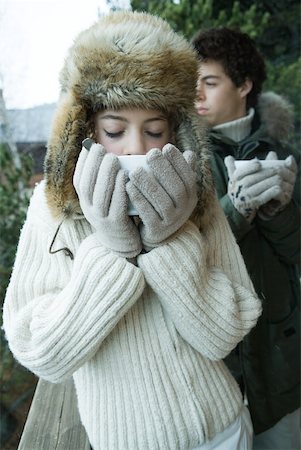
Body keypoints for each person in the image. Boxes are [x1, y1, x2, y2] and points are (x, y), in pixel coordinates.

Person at [3, 12, 262, 450]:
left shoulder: (195, 196)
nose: (137, 148)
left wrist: (168, 243)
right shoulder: (54, 209)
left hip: (226, 428)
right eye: (114, 130)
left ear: (177, 130)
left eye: (155, 130)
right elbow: (42, 353)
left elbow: (226, 333)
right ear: (83, 128)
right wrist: (113, 252)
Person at [192, 26, 300, 450]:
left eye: (210, 82)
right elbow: (188, 256)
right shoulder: (182, 157)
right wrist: (236, 210)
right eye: (192, 83)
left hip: (282, 357)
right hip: (218, 365)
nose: (196, 93)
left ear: (244, 84)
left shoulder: (287, 150)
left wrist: (279, 211)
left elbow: (296, 250)